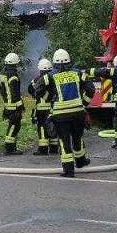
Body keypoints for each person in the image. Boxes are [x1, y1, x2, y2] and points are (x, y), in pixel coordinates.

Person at [35, 49, 95, 177]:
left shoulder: (49, 76)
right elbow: (91, 89)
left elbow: (38, 89)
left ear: (54, 62)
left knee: (64, 141)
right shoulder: (78, 73)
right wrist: (83, 103)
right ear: (69, 61)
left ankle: (68, 170)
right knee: (77, 137)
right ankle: (80, 161)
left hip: (60, 115)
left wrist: (49, 98)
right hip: (78, 113)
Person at [28, 58, 57, 155]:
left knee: (42, 127)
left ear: (40, 69)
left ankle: (43, 149)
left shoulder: (37, 79)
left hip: (42, 107)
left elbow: (30, 89)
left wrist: (37, 95)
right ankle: (54, 148)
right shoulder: (54, 77)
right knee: (52, 126)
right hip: (53, 107)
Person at [0, 53, 25, 155]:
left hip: (7, 105)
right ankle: (9, 148)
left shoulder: (2, 74)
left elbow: (2, 90)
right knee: (14, 126)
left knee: (13, 125)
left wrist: (6, 103)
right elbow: (15, 93)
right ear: (15, 64)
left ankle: (11, 147)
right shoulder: (13, 75)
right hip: (14, 106)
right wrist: (20, 106)